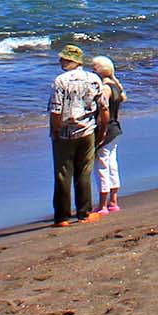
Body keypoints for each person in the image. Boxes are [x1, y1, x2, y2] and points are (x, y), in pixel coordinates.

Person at [48, 43, 109, 226]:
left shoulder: (60, 81)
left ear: (69, 61)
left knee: (62, 174)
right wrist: (103, 130)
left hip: (65, 132)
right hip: (87, 130)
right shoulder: (94, 79)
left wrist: (54, 130)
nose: (60, 61)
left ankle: (62, 217)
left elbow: (56, 111)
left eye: (63, 58)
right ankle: (84, 213)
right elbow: (103, 108)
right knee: (84, 172)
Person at [90, 54, 128, 215]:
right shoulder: (116, 86)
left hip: (106, 129)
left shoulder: (105, 87)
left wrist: (100, 131)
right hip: (115, 128)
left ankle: (103, 204)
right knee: (112, 164)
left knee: (102, 166)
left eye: (94, 67)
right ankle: (113, 201)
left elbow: (102, 110)